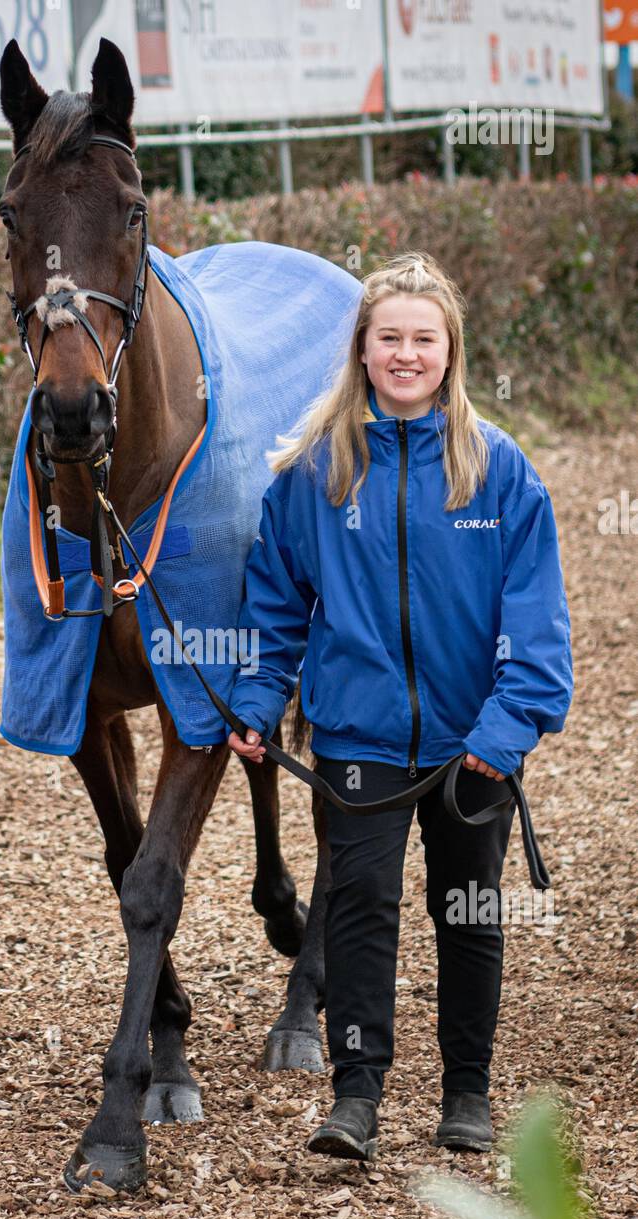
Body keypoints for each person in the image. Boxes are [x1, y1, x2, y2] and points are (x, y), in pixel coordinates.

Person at [226, 252, 573, 1161]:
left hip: (473, 747)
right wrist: (258, 702)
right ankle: (357, 1096)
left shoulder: (498, 470)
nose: (407, 355)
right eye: (391, 339)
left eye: (424, 339)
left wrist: (504, 732)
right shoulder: (314, 469)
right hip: (358, 738)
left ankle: (467, 1094)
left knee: (466, 911)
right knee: (361, 906)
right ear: (363, 348)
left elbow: (537, 623)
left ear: (450, 350)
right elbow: (274, 602)